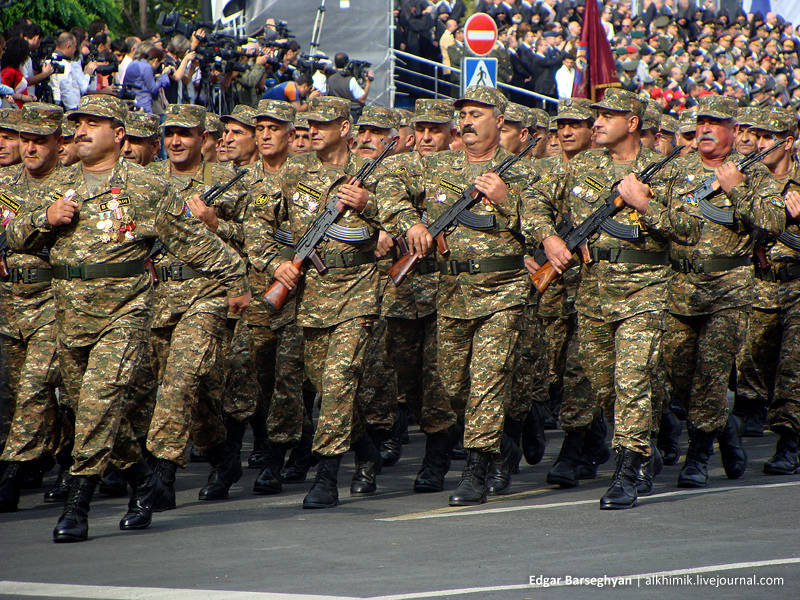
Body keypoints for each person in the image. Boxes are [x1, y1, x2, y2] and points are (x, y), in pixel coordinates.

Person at [5, 94, 250, 542]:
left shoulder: (145, 187)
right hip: (70, 315)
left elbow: (194, 241)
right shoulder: (56, 185)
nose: (80, 131)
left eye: (92, 124)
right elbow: (14, 236)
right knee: (90, 409)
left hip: (126, 312)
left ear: (118, 134)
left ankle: (78, 506)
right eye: (77, 123)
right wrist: (45, 217)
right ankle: (142, 479)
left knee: (100, 401)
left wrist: (237, 279)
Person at [529, 88, 703, 510]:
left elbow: (689, 229)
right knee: (605, 384)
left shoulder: (668, 170)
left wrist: (645, 205)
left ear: (633, 122)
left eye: (609, 115)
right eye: (597, 116)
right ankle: (648, 439)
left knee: (631, 380)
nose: (598, 123)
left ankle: (626, 470)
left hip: (645, 290)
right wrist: (549, 238)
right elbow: (533, 202)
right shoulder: (582, 164)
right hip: (593, 293)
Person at [380, 87, 538, 506]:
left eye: (477, 114)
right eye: (463, 114)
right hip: (451, 294)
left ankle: (475, 471)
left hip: (503, 293)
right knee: (454, 387)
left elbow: (542, 225)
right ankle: (500, 442)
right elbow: (388, 184)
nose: (467, 121)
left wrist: (507, 202)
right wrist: (408, 221)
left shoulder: (520, 171)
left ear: (500, 122)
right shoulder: (437, 166)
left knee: (487, 381)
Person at [258, 96, 382, 509]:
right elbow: (258, 222)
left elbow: (406, 220)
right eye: (309, 123)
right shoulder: (293, 171)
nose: (312, 130)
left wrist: (371, 206)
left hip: (359, 289)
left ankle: (327, 477)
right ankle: (365, 451)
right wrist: (276, 264)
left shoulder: (372, 172)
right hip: (312, 294)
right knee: (328, 386)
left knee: (340, 378)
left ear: (345, 128)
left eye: (323, 124)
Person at [662, 95, 786, 490]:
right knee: (678, 373)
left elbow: (773, 222)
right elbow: (653, 214)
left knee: (711, 377)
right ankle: (726, 428)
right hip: (680, 288)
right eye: (701, 122)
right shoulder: (675, 168)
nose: (705, 129)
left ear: (735, 132)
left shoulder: (753, 175)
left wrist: (737, 191)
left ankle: (697, 456)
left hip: (729, 290)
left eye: (715, 123)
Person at [0, 103, 65, 512]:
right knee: (9, 393)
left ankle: (10, 474)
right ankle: (49, 454)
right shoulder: (4, 181)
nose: (30, 148)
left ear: (60, 142)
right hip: (9, 303)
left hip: (53, 301)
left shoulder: (72, 184)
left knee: (36, 388)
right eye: (25, 139)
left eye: (40, 140)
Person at [122, 42, 175, 113]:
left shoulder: (132, 63)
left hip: (132, 101)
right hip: (144, 103)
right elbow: (153, 90)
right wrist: (163, 77)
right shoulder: (146, 67)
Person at [48, 32, 96, 111]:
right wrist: (73, 109)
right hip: (66, 107)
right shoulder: (65, 64)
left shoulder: (49, 59)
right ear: (68, 46)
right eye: (74, 47)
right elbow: (66, 89)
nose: (75, 50)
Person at [325, 52, 374, 121]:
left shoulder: (330, 78)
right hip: (351, 115)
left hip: (335, 114)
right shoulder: (350, 80)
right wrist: (368, 82)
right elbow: (361, 99)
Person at [1, 38, 36, 108]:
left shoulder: (17, 70)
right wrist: (22, 97)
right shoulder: (10, 72)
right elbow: (3, 93)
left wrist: (27, 97)